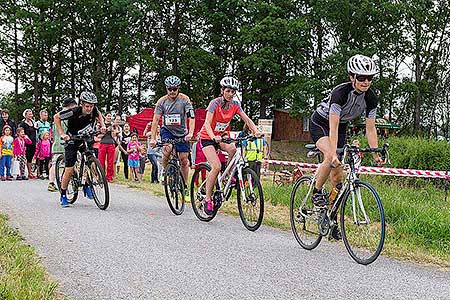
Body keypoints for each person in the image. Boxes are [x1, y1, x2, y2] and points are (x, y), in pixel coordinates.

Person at [309, 54, 385, 240]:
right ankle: (317, 192)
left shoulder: (371, 98)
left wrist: (375, 154)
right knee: (330, 156)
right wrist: (333, 153)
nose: (366, 82)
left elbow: (370, 128)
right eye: (361, 78)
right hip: (321, 123)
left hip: (342, 126)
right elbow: (332, 127)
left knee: (337, 177)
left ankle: (331, 220)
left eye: (370, 78)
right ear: (352, 77)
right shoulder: (340, 93)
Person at [199, 76, 262, 215]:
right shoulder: (214, 103)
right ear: (222, 90)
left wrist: (256, 131)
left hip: (222, 137)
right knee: (216, 166)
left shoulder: (235, 105)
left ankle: (227, 175)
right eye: (228, 91)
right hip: (207, 137)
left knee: (234, 148)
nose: (230, 94)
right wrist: (212, 136)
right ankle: (207, 199)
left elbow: (246, 119)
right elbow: (207, 123)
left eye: (233, 92)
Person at [54, 91, 106, 207]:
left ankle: (88, 184)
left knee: (92, 162)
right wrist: (62, 133)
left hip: (86, 137)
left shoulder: (94, 110)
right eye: (87, 106)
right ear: (82, 104)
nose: (89, 109)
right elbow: (56, 117)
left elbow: (99, 116)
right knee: (70, 168)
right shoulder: (73, 112)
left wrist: (102, 125)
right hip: (72, 138)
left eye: (91, 106)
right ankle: (63, 193)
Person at [149, 76, 195, 184]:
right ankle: (165, 170)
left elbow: (191, 117)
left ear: (178, 88)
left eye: (175, 89)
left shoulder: (185, 99)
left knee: (184, 160)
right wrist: (153, 138)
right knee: (167, 148)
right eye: (170, 89)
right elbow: (155, 120)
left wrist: (191, 132)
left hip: (182, 132)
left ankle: (185, 185)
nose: (172, 91)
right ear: (166, 89)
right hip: (167, 130)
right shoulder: (161, 101)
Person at [48, 97, 78, 191]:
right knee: (72, 164)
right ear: (70, 105)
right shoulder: (68, 115)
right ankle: (77, 181)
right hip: (66, 142)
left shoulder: (58, 115)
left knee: (55, 164)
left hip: (57, 143)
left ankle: (51, 183)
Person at [19, 109, 38, 179]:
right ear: (25, 115)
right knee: (27, 157)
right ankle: (29, 173)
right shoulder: (23, 123)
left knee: (31, 158)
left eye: (31, 114)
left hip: (33, 142)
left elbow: (35, 131)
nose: (31, 115)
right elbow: (20, 132)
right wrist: (25, 136)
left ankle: (30, 172)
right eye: (29, 114)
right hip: (26, 143)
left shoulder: (33, 122)